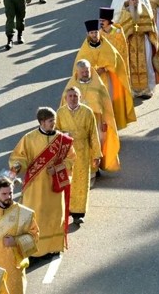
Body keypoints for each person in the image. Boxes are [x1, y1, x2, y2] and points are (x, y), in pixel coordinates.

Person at [8, 107, 75, 258]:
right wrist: (18, 165)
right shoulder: (29, 138)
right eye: (51, 121)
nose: (54, 123)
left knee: (55, 216)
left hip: (54, 187)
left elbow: (71, 159)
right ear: (42, 122)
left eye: (55, 120)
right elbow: (19, 157)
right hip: (35, 186)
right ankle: (33, 250)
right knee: (35, 217)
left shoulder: (63, 140)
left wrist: (58, 168)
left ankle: (54, 246)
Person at [62, 59, 121, 174]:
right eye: (82, 72)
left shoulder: (97, 84)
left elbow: (106, 105)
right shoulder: (72, 86)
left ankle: (96, 168)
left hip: (96, 121)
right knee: (81, 146)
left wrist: (105, 121)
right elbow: (64, 107)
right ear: (77, 72)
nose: (85, 74)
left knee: (97, 143)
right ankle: (86, 171)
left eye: (87, 71)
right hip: (77, 123)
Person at [0, 177, 39, 294]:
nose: (8, 197)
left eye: (10, 193)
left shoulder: (25, 213)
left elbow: (35, 235)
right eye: (4, 194)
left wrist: (16, 241)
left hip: (13, 267)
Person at [74, 21, 136, 130]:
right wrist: (93, 71)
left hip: (107, 79)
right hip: (92, 81)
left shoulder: (106, 46)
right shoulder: (84, 50)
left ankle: (112, 123)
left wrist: (106, 68)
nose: (94, 35)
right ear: (88, 34)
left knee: (109, 101)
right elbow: (78, 67)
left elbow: (115, 61)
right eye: (92, 33)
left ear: (99, 33)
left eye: (96, 32)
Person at [55, 87, 101, 224]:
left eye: (75, 96)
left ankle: (78, 213)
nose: (73, 98)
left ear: (80, 97)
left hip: (82, 151)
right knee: (67, 180)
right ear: (65, 98)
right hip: (66, 152)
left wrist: (96, 154)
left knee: (81, 181)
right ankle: (66, 209)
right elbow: (55, 132)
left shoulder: (87, 112)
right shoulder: (60, 113)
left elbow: (93, 134)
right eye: (70, 96)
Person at [119, 0, 159, 97]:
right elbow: (123, 28)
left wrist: (147, 33)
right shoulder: (125, 12)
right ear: (129, 1)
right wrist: (129, 33)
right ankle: (134, 90)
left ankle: (147, 89)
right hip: (130, 43)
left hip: (144, 41)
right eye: (133, 0)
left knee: (147, 63)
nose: (135, 2)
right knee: (132, 65)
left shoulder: (144, 9)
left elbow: (152, 27)